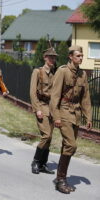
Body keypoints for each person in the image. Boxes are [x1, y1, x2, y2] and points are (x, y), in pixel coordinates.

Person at [49, 45, 92, 194]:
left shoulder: (83, 74)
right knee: (71, 145)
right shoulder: (62, 71)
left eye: (82, 55)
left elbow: (85, 97)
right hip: (64, 112)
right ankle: (61, 180)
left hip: (76, 114)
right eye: (78, 55)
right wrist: (56, 117)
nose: (81, 58)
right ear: (70, 57)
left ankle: (59, 177)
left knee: (66, 146)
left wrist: (88, 117)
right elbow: (54, 96)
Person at [30, 48, 58, 174]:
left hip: (52, 108)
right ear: (45, 57)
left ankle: (43, 164)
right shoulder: (38, 72)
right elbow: (32, 92)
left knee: (49, 137)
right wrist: (37, 109)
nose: (53, 59)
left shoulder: (55, 73)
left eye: (54, 57)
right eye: (50, 57)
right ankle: (35, 161)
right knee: (46, 135)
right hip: (41, 105)